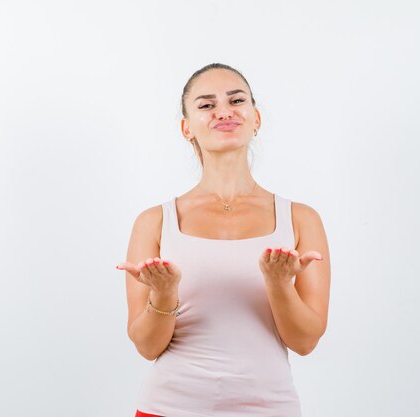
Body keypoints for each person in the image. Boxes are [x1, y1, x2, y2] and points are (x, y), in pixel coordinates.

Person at [116, 63, 331, 417]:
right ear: (187, 128)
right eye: (206, 105)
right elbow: (146, 345)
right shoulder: (154, 222)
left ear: (256, 118)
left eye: (236, 100)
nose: (224, 111)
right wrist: (165, 293)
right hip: (168, 408)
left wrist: (279, 284)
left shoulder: (301, 218)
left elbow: (305, 342)